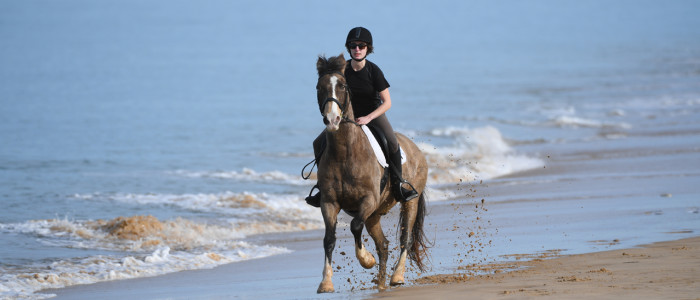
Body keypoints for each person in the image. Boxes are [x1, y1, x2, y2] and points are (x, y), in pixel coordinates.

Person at [305, 27, 418, 207]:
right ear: (349, 48)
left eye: (361, 46)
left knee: (392, 142)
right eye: (353, 45)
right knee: (318, 143)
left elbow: (387, 102)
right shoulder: (343, 70)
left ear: (368, 48)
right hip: (347, 116)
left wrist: (368, 118)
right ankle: (322, 187)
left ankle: (398, 185)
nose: (357, 49)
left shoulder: (374, 71)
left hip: (373, 113)